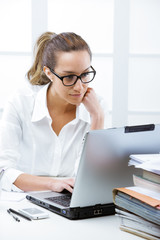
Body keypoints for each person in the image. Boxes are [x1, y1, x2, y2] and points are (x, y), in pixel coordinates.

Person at [0, 31, 108, 193]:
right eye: (69, 77)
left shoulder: (96, 106)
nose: (79, 87)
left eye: (85, 74)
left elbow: (93, 177)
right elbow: (3, 171)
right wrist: (51, 184)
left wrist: (97, 118)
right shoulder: (20, 102)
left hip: (70, 199)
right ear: (49, 73)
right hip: (23, 200)